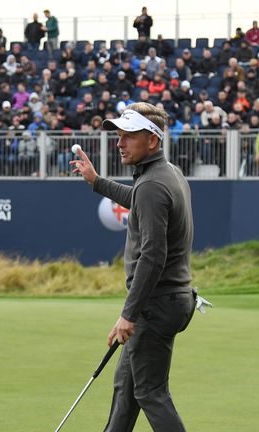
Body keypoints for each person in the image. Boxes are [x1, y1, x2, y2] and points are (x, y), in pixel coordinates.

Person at [71, 102, 195, 432]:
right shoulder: (166, 174)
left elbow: (152, 257)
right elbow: (140, 199)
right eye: (119, 135)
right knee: (126, 390)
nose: (120, 143)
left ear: (151, 141)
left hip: (156, 305)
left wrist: (128, 314)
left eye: (128, 136)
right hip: (169, 299)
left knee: (151, 392)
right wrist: (97, 181)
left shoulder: (153, 184)